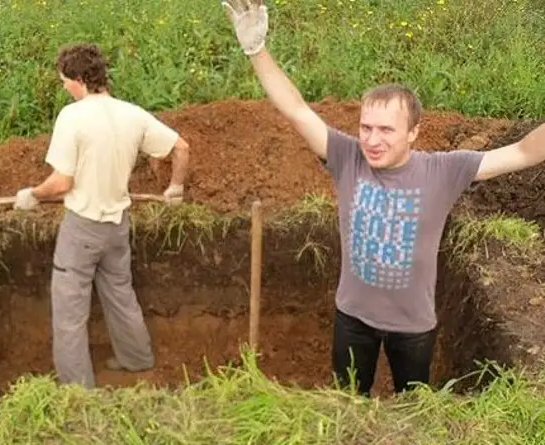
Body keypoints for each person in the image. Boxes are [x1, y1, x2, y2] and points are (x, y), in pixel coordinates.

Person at [222, 0, 545, 396]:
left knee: (412, 408)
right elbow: (296, 110)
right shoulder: (346, 157)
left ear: (413, 133)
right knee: (347, 401)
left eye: (387, 130)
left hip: (413, 327)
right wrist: (256, 50)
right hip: (352, 318)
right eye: (366, 127)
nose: (372, 140)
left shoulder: (443, 170)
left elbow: (525, 151)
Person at [13, 42, 190, 389]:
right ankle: (137, 360)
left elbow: (62, 182)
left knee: (69, 310)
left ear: (78, 79)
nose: (64, 86)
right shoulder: (132, 114)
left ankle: (77, 390)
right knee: (120, 293)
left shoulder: (72, 117)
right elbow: (181, 148)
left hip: (82, 229)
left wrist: (32, 195)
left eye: (65, 79)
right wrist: (175, 188)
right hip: (117, 227)